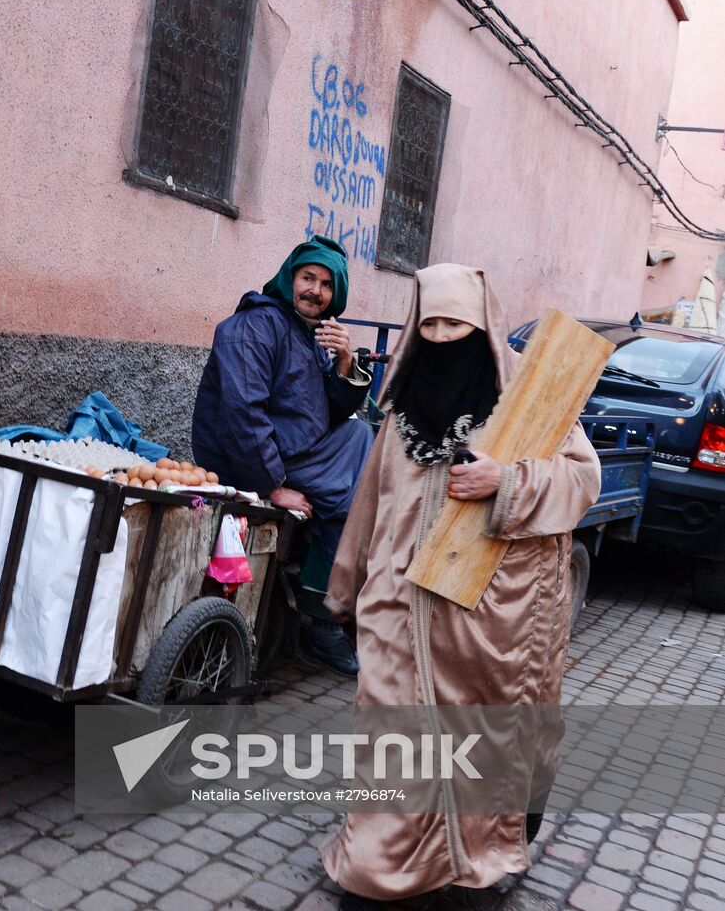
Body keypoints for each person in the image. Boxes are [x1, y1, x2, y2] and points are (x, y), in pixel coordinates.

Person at [320, 264, 600, 909]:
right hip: (394, 602)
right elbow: (370, 503)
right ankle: (376, 866)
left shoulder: (529, 405)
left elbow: (583, 481)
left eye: (458, 325)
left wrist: (508, 480)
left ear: (484, 329)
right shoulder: (397, 415)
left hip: (481, 614)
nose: (444, 338)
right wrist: (346, 586)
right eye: (431, 324)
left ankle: (471, 856)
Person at [192, 234, 374, 676]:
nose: (315, 290)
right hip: (248, 457)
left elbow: (324, 411)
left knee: (362, 442)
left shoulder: (307, 334)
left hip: (292, 449)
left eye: (326, 284)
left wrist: (346, 364)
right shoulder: (256, 326)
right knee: (354, 491)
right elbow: (241, 414)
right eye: (307, 277)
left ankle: (327, 599)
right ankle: (322, 619)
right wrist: (273, 487)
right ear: (290, 278)